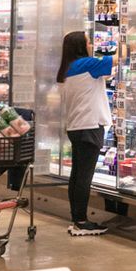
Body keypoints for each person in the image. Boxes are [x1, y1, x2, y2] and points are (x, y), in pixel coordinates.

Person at [57, 30, 113, 236]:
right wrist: (127, 37)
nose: (91, 45)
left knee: (77, 175)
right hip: (90, 126)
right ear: (80, 46)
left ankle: (76, 218)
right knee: (84, 177)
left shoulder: (68, 68)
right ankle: (81, 221)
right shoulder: (87, 64)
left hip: (76, 126)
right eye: (89, 42)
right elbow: (120, 57)